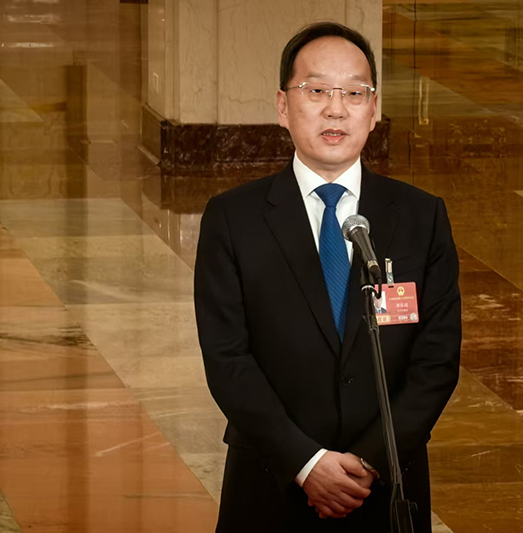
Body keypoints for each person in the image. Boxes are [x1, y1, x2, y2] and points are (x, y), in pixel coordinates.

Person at [194, 21, 461, 533]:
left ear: (374, 109)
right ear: (283, 106)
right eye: (316, 91)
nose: (336, 109)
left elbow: (437, 360)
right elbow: (228, 361)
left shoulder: (420, 217)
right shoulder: (233, 218)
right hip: (270, 483)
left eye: (354, 93)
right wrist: (307, 463)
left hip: (385, 487)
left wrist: (368, 462)